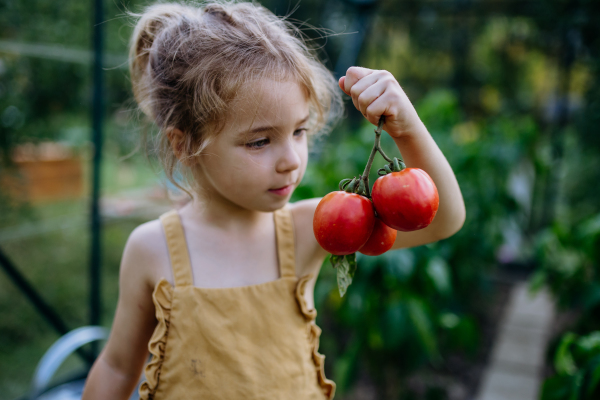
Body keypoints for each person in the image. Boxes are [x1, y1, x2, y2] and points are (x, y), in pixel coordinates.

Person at [81, 1, 466, 399]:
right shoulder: (152, 249)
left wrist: (408, 130)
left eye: (299, 131)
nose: (291, 161)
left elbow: (443, 221)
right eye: (260, 141)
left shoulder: (309, 228)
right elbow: (117, 366)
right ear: (185, 145)